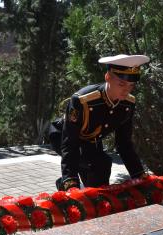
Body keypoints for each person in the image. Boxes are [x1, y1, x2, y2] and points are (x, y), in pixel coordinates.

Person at [50, 54, 150, 191]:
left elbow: (124, 143)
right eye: (121, 84)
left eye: (131, 85)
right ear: (107, 77)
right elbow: (70, 143)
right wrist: (70, 182)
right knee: (95, 164)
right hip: (63, 135)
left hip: (91, 140)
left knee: (99, 171)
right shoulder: (83, 100)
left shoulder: (128, 104)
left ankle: (85, 191)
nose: (126, 90)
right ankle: (65, 184)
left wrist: (139, 175)